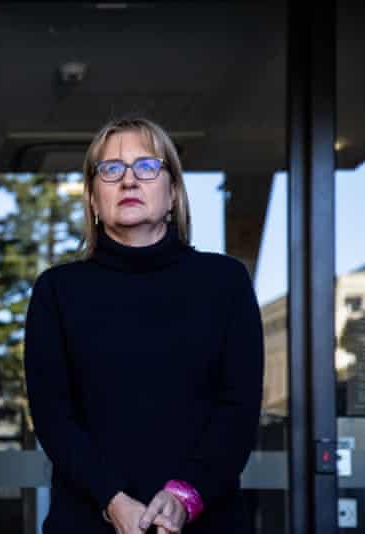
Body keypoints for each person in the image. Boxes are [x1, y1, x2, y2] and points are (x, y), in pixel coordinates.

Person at [24, 117, 263, 533]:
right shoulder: (57, 291)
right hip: (87, 520)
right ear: (94, 200)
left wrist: (186, 496)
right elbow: (53, 418)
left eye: (147, 167)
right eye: (111, 169)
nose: (129, 181)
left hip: (209, 521)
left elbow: (238, 410)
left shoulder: (225, 283)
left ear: (172, 193)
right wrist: (113, 501)